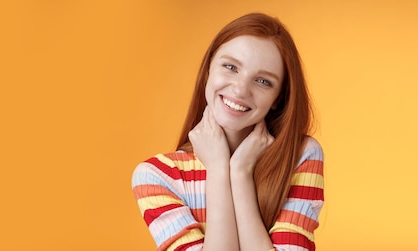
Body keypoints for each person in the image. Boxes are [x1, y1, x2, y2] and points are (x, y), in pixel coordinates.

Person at [132, 13, 324, 251]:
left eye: (263, 81)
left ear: (278, 98)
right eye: (230, 67)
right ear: (208, 71)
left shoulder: (300, 155)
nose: (241, 90)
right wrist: (218, 169)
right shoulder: (156, 176)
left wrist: (240, 173)